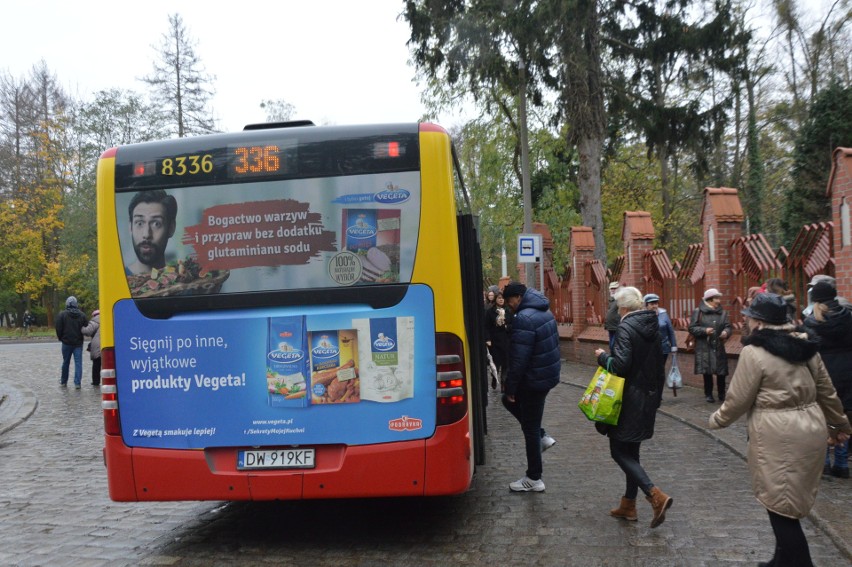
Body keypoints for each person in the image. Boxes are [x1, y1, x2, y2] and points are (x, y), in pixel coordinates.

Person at [709, 293, 851, 566]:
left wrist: (717, 420)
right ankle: (779, 560)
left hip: (778, 433)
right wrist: (839, 426)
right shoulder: (807, 345)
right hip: (810, 428)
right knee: (784, 498)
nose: (746, 320)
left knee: (780, 505)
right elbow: (827, 391)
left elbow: (738, 399)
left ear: (759, 322)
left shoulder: (754, 352)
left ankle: (801, 563)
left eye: (749, 316)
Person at [594, 286, 672, 528]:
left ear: (625, 308)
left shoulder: (627, 327)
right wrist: (656, 398)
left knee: (618, 452)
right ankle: (628, 505)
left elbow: (620, 366)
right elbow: (660, 367)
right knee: (632, 453)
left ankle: (655, 495)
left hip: (627, 400)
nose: (617, 310)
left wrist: (602, 357)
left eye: (618, 306)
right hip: (647, 398)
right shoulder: (653, 326)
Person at [500, 281, 560, 492]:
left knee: (529, 428)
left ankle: (534, 478)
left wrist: (511, 388)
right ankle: (543, 436)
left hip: (532, 380)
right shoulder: (544, 311)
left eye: (509, 301)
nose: (509, 306)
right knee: (531, 424)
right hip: (545, 377)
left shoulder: (524, 318)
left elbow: (519, 360)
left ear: (517, 297)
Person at [803, 281, 852, 478]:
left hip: (822, 372)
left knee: (820, 417)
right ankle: (841, 463)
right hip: (848, 372)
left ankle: (822, 462)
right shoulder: (848, 317)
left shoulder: (811, 321)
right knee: (842, 416)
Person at [689, 288, 732, 403]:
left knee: (721, 372)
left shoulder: (723, 313)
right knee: (707, 371)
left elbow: (728, 326)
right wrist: (704, 331)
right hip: (704, 346)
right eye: (716, 298)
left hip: (718, 345)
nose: (719, 301)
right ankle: (708, 394)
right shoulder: (698, 312)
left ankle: (722, 394)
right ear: (709, 299)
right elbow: (692, 328)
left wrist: (726, 332)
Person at [125, 189, 178, 276]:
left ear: (171, 228)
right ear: (130, 227)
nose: (146, 234)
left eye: (156, 224)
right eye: (140, 223)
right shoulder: (116, 278)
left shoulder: (184, 279)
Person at [55, 296, 89, 389]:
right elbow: (86, 327)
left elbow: (58, 328)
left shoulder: (62, 315)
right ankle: (77, 383)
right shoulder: (82, 315)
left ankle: (63, 381)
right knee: (78, 363)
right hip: (78, 343)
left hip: (66, 343)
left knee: (65, 362)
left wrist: (61, 338)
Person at [485, 292, 513, 391]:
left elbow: (512, 324)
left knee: (506, 363)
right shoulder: (490, 312)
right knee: (496, 363)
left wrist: (506, 326)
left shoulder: (508, 311)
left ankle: (503, 383)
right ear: (496, 299)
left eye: (502, 298)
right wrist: (487, 339)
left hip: (506, 340)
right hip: (495, 340)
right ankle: (494, 377)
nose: (501, 300)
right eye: (499, 298)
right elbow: (487, 327)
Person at [643, 293, 677, 365]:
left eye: (656, 303)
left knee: (661, 368)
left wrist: (673, 345)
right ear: (646, 305)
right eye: (652, 304)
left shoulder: (663, 314)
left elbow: (670, 331)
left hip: (663, 348)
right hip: (649, 349)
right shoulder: (643, 316)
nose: (655, 306)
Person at [82, 309, 102, 387]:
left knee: (96, 365)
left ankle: (96, 381)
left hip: (97, 346)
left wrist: (81, 327)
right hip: (108, 344)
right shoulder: (109, 320)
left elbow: (87, 332)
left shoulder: (94, 322)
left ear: (94, 316)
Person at [604, 281, 621, 349]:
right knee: (611, 344)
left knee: (613, 345)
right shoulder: (611, 299)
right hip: (610, 326)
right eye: (611, 288)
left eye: (614, 288)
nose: (613, 290)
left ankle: (613, 357)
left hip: (617, 326)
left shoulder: (619, 299)